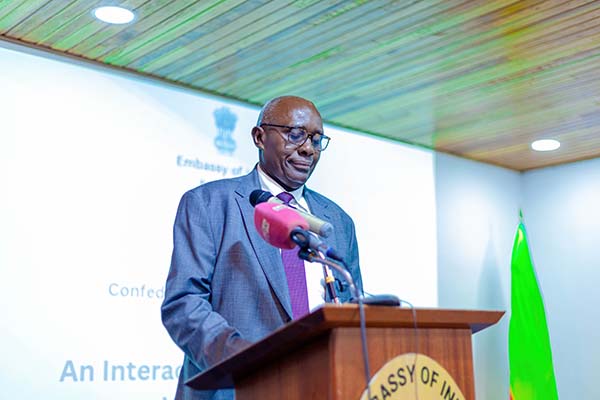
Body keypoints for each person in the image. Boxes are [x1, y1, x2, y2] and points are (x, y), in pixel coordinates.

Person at [161, 96, 363, 400]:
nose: (308, 149)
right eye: (295, 134)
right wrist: (248, 361)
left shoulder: (337, 221)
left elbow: (353, 307)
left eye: (316, 139)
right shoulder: (209, 203)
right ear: (259, 137)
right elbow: (184, 304)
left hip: (324, 387)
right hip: (237, 388)